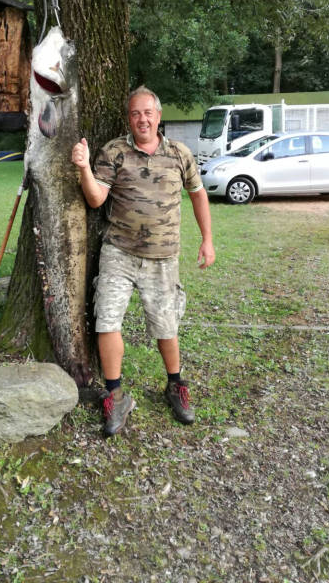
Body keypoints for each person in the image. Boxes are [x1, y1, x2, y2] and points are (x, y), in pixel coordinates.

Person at [71, 86, 215, 436]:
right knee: (106, 320)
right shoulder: (114, 152)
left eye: (148, 112)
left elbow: (198, 195)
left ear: (159, 116)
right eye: (135, 113)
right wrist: (83, 168)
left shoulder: (180, 154)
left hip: (163, 258)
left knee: (166, 325)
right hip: (118, 253)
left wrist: (208, 239)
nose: (142, 119)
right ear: (129, 118)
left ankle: (175, 385)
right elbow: (94, 200)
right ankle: (115, 393)